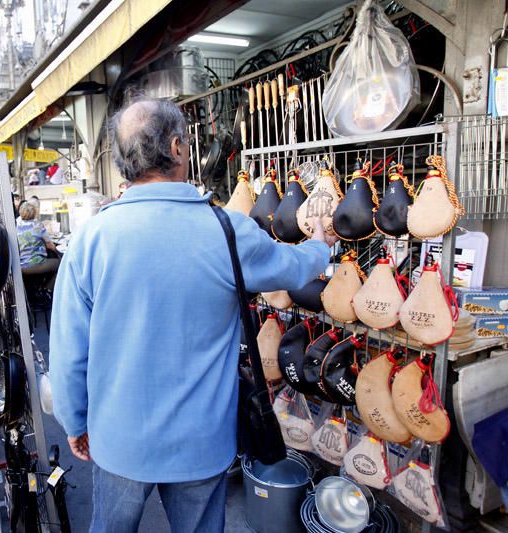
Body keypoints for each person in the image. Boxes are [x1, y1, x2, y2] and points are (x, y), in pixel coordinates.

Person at [49, 98, 336, 532]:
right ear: (179, 147)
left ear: (124, 161)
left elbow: (69, 350)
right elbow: (295, 268)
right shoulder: (225, 229)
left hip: (119, 438)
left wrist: (74, 421)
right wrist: (319, 243)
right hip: (200, 442)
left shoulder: (92, 239)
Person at [18, 202, 59, 291]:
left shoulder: (16, 226)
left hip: (20, 266)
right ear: (34, 213)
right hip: (36, 264)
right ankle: (48, 290)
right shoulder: (38, 225)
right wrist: (58, 252)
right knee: (60, 265)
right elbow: (49, 245)